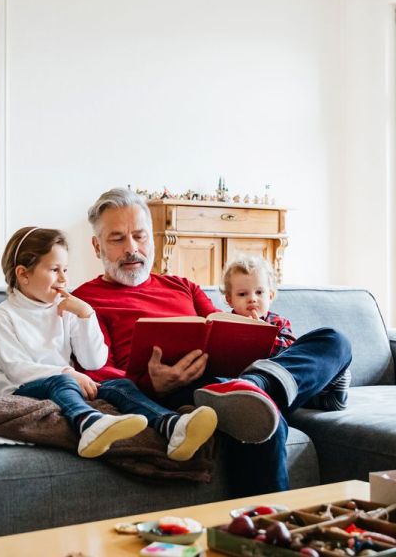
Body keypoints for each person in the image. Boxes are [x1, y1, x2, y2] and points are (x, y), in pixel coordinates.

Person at [72, 188, 352, 493]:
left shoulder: (183, 286)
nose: (132, 248)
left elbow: (223, 328)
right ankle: (271, 395)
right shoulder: (84, 302)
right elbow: (98, 373)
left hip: (232, 378)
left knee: (334, 340)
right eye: (117, 239)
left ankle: (260, 385)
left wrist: (251, 334)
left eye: (140, 236)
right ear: (97, 246)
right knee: (259, 419)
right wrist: (151, 384)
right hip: (178, 392)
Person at [0, 226, 218, 461]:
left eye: (65, 269)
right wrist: (67, 372)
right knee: (63, 381)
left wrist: (87, 315)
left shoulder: (66, 309)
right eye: (55, 270)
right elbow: (16, 369)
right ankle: (89, 424)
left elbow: (93, 360)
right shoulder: (2, 316)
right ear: (24, 274)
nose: (64, 279)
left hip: (66, 384)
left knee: (119, 385)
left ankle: (172, 425)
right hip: (18, 390)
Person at [219, 255, 351, 412]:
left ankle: (328, 392)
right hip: (238, 377)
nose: (252, 299)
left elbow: (291, 350)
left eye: (259, 292)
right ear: (229, 299)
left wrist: (265, 336)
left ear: (270, 295)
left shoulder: (278, 322)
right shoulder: (225, 323)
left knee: (333, 340)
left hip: (279, 376)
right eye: (242, 294)